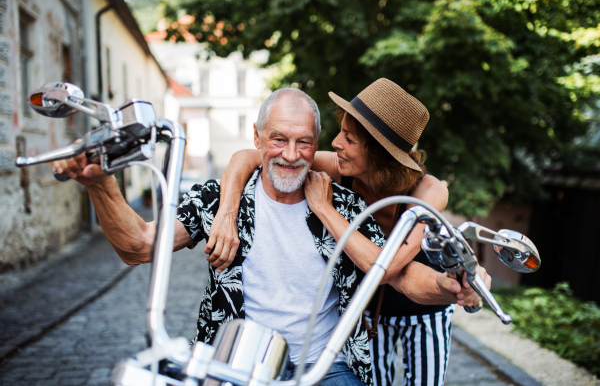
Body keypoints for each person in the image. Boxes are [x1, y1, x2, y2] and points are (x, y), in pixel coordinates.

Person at [54, 87, 485, 386]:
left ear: (317, 146)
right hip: (237, 362)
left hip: (326, 367)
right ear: (257, 137)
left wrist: (451, 286)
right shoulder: (223, 196)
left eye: (304, 143)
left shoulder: (350, 205)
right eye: (278, 139)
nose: (292, 155)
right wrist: (101, 185)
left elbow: (400, 275)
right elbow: (139, 246)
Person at [207, 79, 464, 386]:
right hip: (371, 310)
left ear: (380, 154)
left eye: (349, 138)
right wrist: (227, 210)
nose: (336, 142)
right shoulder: (343, 167)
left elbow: (387, 267)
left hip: (422, 303)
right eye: (342, 130)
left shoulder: (427, 192)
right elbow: (248, 157)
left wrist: (325, 209)